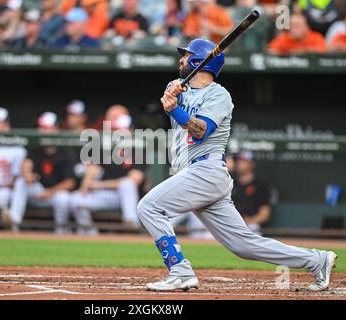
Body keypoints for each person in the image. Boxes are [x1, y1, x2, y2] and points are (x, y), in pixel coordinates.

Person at [138, 38, 337, 292]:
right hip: (193, 174)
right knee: (243, 245)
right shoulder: (178, 87)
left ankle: (180, 271)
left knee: (149, 207)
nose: (181, 59)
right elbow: (174, 103)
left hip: (205, 171)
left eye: (186, 56)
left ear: (200, 62)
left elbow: (201, 130)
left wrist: (174, 109)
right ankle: (317, 260)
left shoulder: (219, 95)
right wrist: (171, 99)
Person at [69, 105, 145, 233]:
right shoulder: (104, 147)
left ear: (131, 130)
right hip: (107, 196)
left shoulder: (138, 149)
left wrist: (97, 185)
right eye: (116, 130)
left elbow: (134, 180)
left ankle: (132, 227)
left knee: (127, 184)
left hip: (129, 198)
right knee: (75, 199)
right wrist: (87, 183)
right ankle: (90, 234)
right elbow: (88, 180)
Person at [6, 112, 77, 233]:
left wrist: (51, 192)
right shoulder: (35, 146)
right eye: (41, 127)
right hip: (38, 191)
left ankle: (61, 231)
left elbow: (70, 182)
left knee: (63, 198)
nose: (41, 131)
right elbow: (26, 164)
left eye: (45, 128)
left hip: (55, 193)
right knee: (21, 181)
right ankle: (14, 220)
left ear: (56, 129)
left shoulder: (66, 150)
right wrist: (27, 174)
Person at [231, 151, 271, 235]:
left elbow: (264, 214)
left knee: (252, 228)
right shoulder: (230, 183)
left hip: (250, 225)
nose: (239, 163)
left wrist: (248, 221)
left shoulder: (260, 185)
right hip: (231, 223)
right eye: (238, 161)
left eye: (243, 161)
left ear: (252, 164)